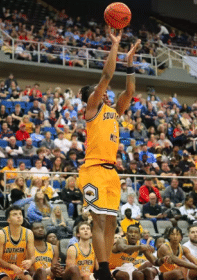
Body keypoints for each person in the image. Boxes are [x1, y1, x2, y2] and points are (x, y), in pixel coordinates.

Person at [78, 27, 141, 280]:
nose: (105, 90)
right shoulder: (92, 110)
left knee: (112, 224)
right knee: (99, 222)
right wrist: (115, 45)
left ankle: (103, 267)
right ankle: (103, 271)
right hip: (93, 169)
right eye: (99, 89)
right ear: (92, 96)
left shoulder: (115, 112)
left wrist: (129, 64)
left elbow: (130, 92)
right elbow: (106, 74)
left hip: (111, 172)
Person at [112, 224, 197, 280]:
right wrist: (141, 247)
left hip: (130, 268)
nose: (133, 234)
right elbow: (123, 248)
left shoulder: (182, 248)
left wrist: (162, 260)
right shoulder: (122, 240)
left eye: (135, 233)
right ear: (126, 234)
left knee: (139, 274)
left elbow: (155, 261)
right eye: (130, 232)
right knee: (126, 275)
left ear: (139, 236)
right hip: (112, 268)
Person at [0, 205, 35, 280]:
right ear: (8, 220)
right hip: (1, 268)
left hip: (19, 267)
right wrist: (12, 266)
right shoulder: (1, 234)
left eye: (20, 214)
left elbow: (33, 257)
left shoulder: (29, 233)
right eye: (15, 214)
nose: (19, 216)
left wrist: (30, 261)